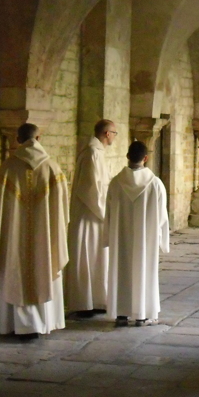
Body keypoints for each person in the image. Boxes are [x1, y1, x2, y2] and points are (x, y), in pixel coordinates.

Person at [0, 123, 69, 339]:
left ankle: (14, 324)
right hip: (45, 235)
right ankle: (42, 322)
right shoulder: (52, 168)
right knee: (44, 263)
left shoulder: (7, 168)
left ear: (17, 139)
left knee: (14, 268)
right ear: (38, 138)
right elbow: (63, 211)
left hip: (14, 236)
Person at [106, 140, 170, 327]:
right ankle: (141, 314)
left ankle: (121, 314)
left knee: (122, 269)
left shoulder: (116, 183)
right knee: (144, 270)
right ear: (146, 158)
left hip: (121, 237)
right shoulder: (155, 184)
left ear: (127, 156)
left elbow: (108, 211)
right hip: (145, 238)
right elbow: (162, 216)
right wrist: (160, 238)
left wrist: (108, 235)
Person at [64, 119, 116, 318]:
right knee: (89, 257)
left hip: (95, 216)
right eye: (114, 133)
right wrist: (105, 213)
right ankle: (84, 302)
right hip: (90, 215)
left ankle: (97, 300)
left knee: (97, 259)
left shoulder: (96, 153)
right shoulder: (92, 154)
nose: (114, 138)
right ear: (107, 134)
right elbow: (90, 190)